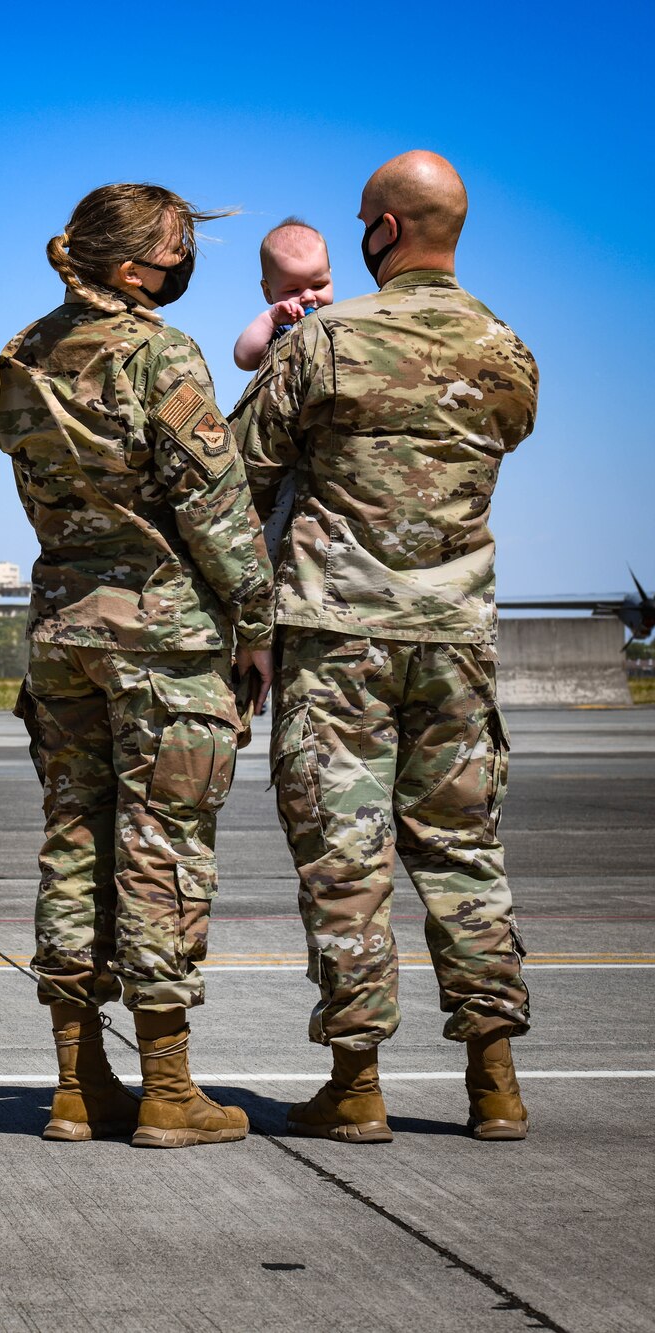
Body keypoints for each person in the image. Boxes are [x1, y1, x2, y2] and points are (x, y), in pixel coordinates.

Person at [230, 150, 539, 1143]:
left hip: (337, 641)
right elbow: (504, 431)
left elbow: (239, 467)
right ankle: (493, 1080)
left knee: (342, 856)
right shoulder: (507, 350)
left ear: (383, 232)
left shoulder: (325, 342)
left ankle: (356, 1085)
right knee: (463, 851)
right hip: (453, 638)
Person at [0, 183, 274, 1149]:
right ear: (126, 268)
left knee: (74, 841)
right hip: (161, 637)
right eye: (173, 249)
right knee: (164, 852)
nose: (183, 263)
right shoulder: (161, 354)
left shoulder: (23, 353)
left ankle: (76, 1085)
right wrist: (259, 618)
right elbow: (216, 504)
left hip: (64, 630)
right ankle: (168, 1088)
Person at [233, 219, 336, 371]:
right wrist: (270, 319)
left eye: (318, 285)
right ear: (268, 293)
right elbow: (244, 359)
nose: (308, 296)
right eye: (293, 290)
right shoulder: (281, 331)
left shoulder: (340, 321)